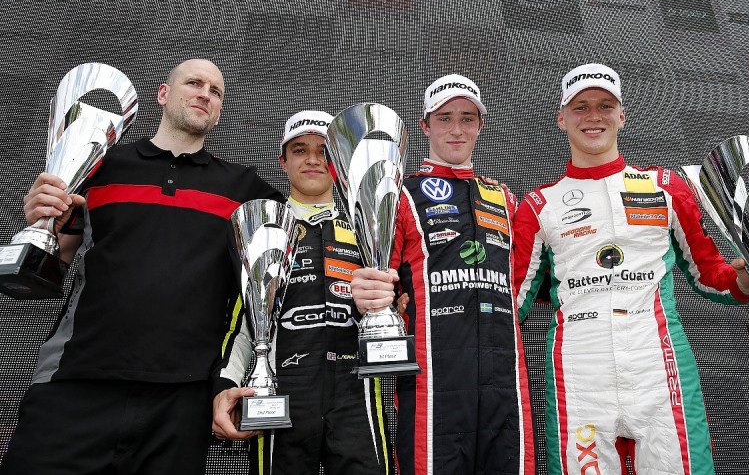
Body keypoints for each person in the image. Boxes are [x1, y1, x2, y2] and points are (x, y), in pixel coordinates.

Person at [0, 59, 282, 474]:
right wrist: (41, 223)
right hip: (76, 380)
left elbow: (300, 234)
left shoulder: (245, 189)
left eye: (215, 91)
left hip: (181, 398)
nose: (205, 94)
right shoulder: (98, 165)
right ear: (163, 94)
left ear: (219, 112)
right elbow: (54, 264)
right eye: (194, 83)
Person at [512, 63, 749, 475]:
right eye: (581, 107)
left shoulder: (665, 187)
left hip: (659, 366)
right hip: (579, 371)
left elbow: (708, 274)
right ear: (562, 118)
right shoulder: (538, 205)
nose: (593, 116)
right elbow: (511, 301)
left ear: (622, 116)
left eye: (605, 106)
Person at [351, 74, 537, 474]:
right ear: (425, 126)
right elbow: (377, 276)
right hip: (433, 380)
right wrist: (370, 294)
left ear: (480, 125)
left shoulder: (505, 198)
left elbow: (524, 280)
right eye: (445, 118)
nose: (456, 129)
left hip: (505, 378)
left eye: (467, 118)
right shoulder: (401, 193)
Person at [211, 111, 392, 474]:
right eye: (299, 150)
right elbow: (241, 327)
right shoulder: (263, 229)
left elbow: (399, 307)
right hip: (280, 393)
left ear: (339, 161)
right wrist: (223, 386)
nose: (312, 159)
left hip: (356, 394)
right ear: (282, 160)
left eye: (324, 151)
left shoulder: (369, 226)